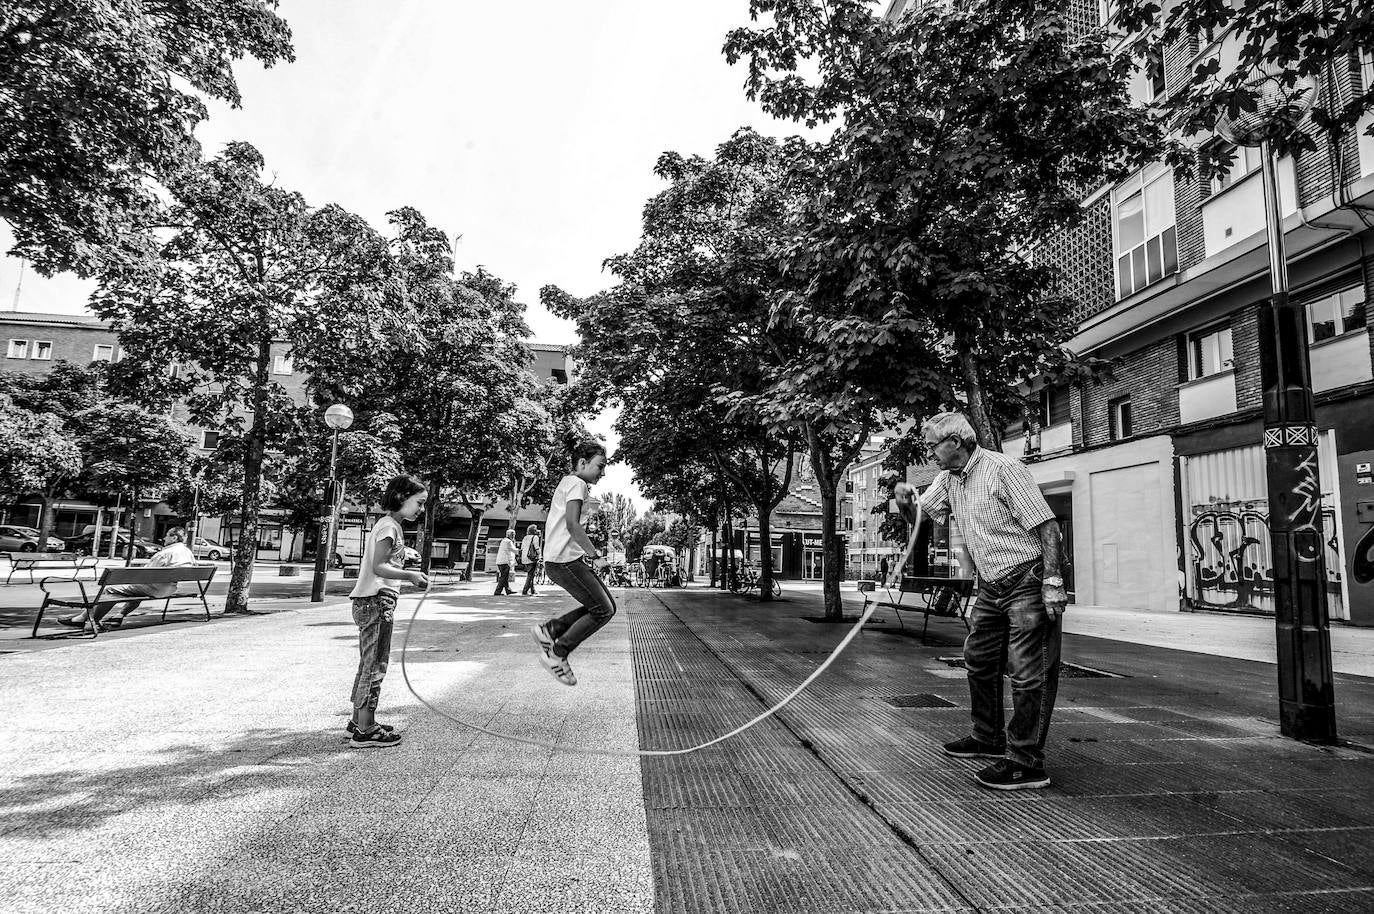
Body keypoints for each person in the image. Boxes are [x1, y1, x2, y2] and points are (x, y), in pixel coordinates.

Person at [893, 411, 1067, 791]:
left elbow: (1048, 526)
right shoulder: (948, 479)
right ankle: (988, 737)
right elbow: (921, 521)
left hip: (1026, 578)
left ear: (955, 442)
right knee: (979, 660)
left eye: (932, 444)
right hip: (991, 585)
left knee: (1026, 671)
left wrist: (1053, 581)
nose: (929, 452)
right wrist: (907, 503)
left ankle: (1026, 761)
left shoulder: (1004, 469)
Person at [346, 474, 429, 749]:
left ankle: (358, 721)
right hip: (377, 601)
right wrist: (410, 576)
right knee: (375, 664)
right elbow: (379, 566)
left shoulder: (388, 526)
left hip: (373, 601)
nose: (421, 509)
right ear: (400, 498)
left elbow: (386, 558)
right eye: (418, 502)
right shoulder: (389, 527)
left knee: (367, 663)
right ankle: (366, 729)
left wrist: (405, 556)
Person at [530, 441, 613, 686]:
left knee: (604, 606)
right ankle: (557, 653)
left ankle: (551, 630)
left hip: (562, 559)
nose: (603, 472)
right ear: (582, 463)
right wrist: (596, 557)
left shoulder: (568, 483)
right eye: (600, 466)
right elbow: (572, 525)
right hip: (564, 560)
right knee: (603, 609)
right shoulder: (577, 483)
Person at [59, 527, 196, 631]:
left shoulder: (165, 553)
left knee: (111, 590)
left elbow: (147, 574)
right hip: (170, 588)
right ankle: (119, 615)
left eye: (167, 536)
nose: (164, 538)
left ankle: (87, 619)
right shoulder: (188, 552)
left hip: (154, 587)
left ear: (173, 538)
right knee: (133, 591)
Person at [520, 524, 542, 596]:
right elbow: (536, 547)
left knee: (530, 574)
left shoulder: (525, 537)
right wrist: (540, 555)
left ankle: (533, 590)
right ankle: (525, 591)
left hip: (524, 557)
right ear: (534, 531)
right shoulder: (535, 537)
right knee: (531, 575)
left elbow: (522, 547)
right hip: (532, 558)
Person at [494, 529, 518, 595]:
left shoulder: (504, 541)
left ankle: (508, 590)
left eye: (514, 535)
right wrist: (522, 550)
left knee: (504, 577)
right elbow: (515, 550)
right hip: (505, 562)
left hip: (501, 561)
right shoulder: (508, 542)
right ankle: (497, 591)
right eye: (512, 534)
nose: (513, 536)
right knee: (504, 577)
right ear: (508, 535)